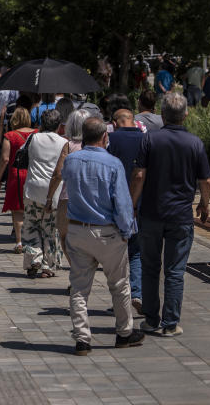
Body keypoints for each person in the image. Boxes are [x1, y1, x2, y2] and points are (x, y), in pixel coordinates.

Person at [129, 92, 210, 337]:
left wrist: (132, 205)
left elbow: (138, 175)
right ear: (186, 114)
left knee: (150, 267)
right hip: (180, 215)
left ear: (162, 115)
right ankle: (171, 323)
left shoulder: (149, 140)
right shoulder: (195, 143)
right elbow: (205, 180)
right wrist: (205, 204)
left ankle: (151, 319)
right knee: (175, 271)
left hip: (151, 213)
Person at [62, 117, 144, 355]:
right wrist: (127, 231)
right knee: (119, 285)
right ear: (105, 137)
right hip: (107, 231)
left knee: (79, 287)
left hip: (78, 228)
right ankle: (124, 333)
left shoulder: (71, 160)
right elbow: (122, 202)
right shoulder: (113, 163)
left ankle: (82, 339)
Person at [106, 108, 146, 315]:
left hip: (117, 204)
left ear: (115, 122)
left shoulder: (111, 140)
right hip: (141, 204)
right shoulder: (147, 139)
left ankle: (119, 301)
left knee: (118, 255)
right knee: (136, 253)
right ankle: (137, 293)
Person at [20, 110, 65, 278]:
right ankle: (48, 266)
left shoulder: (33, 138)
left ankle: (34, 257)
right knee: (51, 230)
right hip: (54, 192)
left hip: (32, 189)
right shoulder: (63, 142)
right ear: (59, 126)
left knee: (31, 226)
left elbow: (21, 152)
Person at [47, 108, 94, 264]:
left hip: (69, 198)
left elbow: (58, 174)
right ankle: (84, 272)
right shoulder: (98, 147)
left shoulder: (69, 145)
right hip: (92, 199)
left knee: (65, 236)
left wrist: (49, 197)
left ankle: (76, 270)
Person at [0, 108, 38, 254]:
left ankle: (19, 242)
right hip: (34, 174)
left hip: (17, 175)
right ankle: (32, 240)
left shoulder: (10, 136)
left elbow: (5, 159)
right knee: (32, 208)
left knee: (18, 210)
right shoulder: (37, 134)